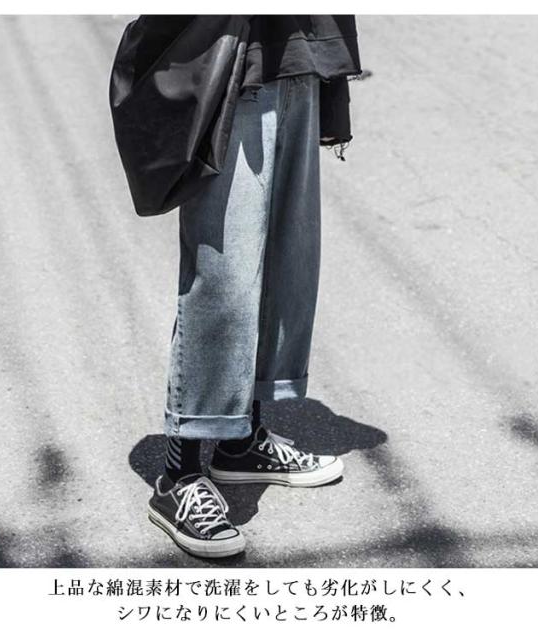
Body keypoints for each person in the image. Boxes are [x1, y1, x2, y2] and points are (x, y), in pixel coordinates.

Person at [144, 15, 362, 558]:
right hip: (226, 54)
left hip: (299, 56)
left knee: (286, 263)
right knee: (224, 275)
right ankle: (179, 475)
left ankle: (240, 443)